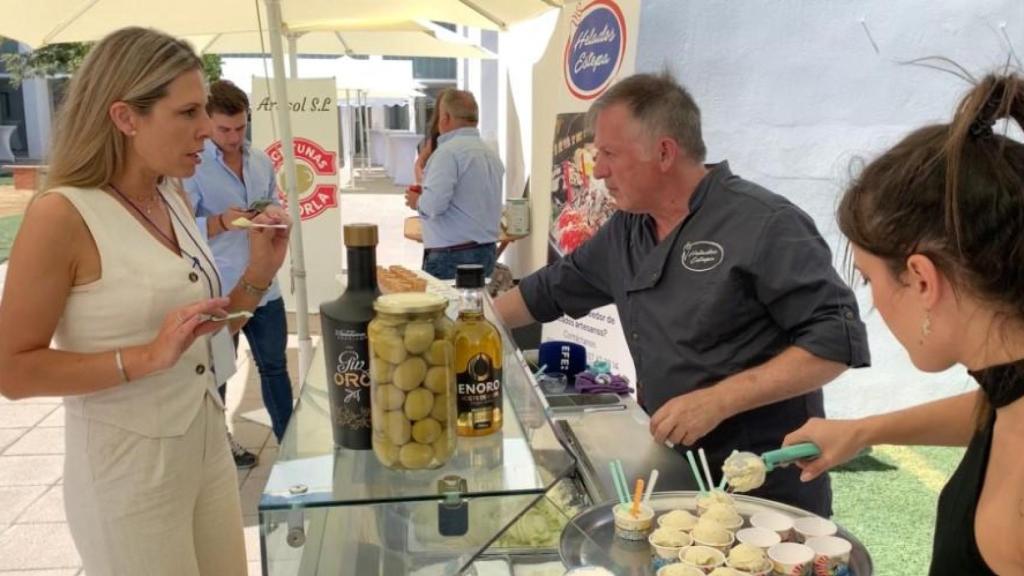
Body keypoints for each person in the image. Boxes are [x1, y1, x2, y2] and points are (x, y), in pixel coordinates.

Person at [494, 72, 870, 516]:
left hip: (762, 484)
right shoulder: (627, 229)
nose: (598, 171)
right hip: (672, 472)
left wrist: (719, 400)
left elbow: (836, 343)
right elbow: (545, 293)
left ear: (665, 152)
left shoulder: (765, 223)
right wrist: (466, 319)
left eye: (610, 154)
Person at [0, 28, 290, 576]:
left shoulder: (170, 195)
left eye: (204, 109)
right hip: (128, 472)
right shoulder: (61, 214)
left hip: (204, 448)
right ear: (125, 117)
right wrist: (145, 357)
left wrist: (256, 276)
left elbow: (200, 337)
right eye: (187, 113)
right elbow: (13, 371)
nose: (207, 129)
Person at [783, 74, 1024, 574]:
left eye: (869, 282)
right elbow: (991, 410)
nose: (874, 305)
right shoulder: (1008, 390)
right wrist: (864, 429)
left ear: (920, 279)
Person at [184, 80, 293, 466]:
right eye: (224, 129)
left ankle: (290, 446)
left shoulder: (261, 160)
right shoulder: (192, 167)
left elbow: (274, 200)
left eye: (240, 128)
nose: (233, 138)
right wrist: (220, 223)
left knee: (275, 367)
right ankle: (220, 444)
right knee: (218, 374)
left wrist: (275, 213)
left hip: (265, 289)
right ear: (207, 122)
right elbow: (180, 229)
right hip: (220, 288)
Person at [404, 89, 504, 280]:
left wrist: (417, 201)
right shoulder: (490, 154)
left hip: (452, 255)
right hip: (486, 251)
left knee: (447, 309)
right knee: (472, 307)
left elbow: (433, 206)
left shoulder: (447, 153)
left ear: (445, 118)